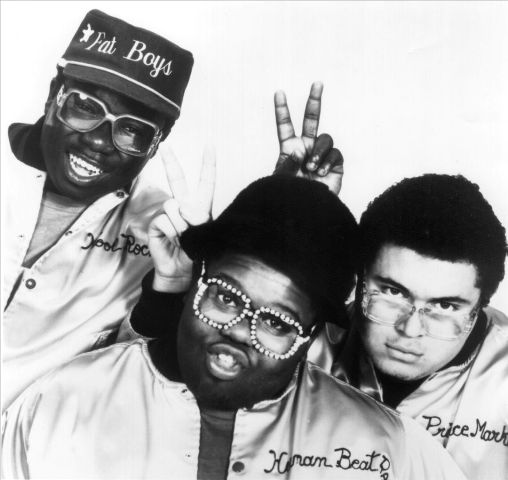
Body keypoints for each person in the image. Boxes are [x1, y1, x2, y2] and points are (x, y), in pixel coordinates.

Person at [1, 173, 466, 480]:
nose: (240, 332)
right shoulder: (63, 401)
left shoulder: (384, 443)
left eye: (277, 322)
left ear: (308, 338)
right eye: (226, 298)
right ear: (195, 280)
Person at [2, 9, 194, 409]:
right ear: (53, 95)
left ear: (157, 142)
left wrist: (289, 203)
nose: (100, 142)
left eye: (132, 129)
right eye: (86, 108)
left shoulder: (165, 234)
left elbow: (133, 377)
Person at [327, 174, 508, 480]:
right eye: (392, 292)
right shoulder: (308, 338)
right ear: (359, 279)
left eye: (445, 306)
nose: (410, 330)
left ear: (480, 307)